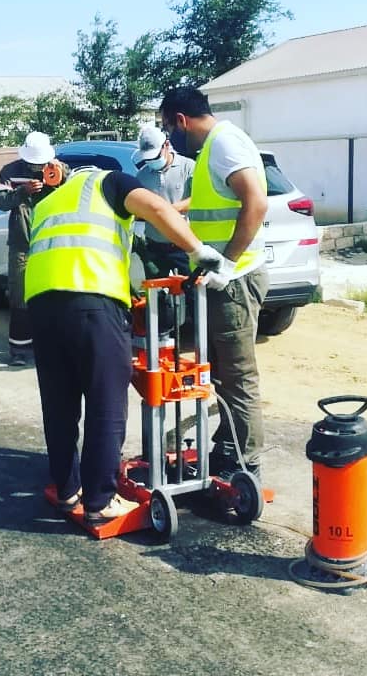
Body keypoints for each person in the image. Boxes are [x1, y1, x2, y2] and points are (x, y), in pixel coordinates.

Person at [24, 163, 224, 525]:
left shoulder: (49, 201)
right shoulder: (110, 182)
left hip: (40, 307)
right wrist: (198, 251)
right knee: (106, 402)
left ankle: (67, 491)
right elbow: (158, 208)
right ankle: (100, 500)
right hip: (92, 300)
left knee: (59, 404)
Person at [159, 86, 270, 479]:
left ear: (181, 120)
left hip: (234, 280)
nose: (170, 135)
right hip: (222, 279)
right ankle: (227, 450)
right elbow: (217, 202)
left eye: (168, 127)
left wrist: (228, 262)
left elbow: (256, 202)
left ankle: (245, 466)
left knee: (238, 377)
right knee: (221, 373)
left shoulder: (224, 143)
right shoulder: (213, 148)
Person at [0, 132, 68, 366]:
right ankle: (19, 351)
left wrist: (59, 178)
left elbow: (72, 196)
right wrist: (23, 191)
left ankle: (51, 348)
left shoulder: (60, 169)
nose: (37, 168)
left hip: (52, 243)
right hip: (22, 244)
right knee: (20, 296)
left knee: (53, 296)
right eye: (33, 164)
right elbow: (1, 202)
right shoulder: (10, 171)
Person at [131, 123, 195, 278]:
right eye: (148, 159)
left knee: (191, 289)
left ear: (166, 145)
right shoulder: (142, 176)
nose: (152, 161)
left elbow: (198, 199)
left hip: (185, 245)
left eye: (155, 157)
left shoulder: (188, 167)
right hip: (155, 246)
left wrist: (169, 210)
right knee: (156, 289)